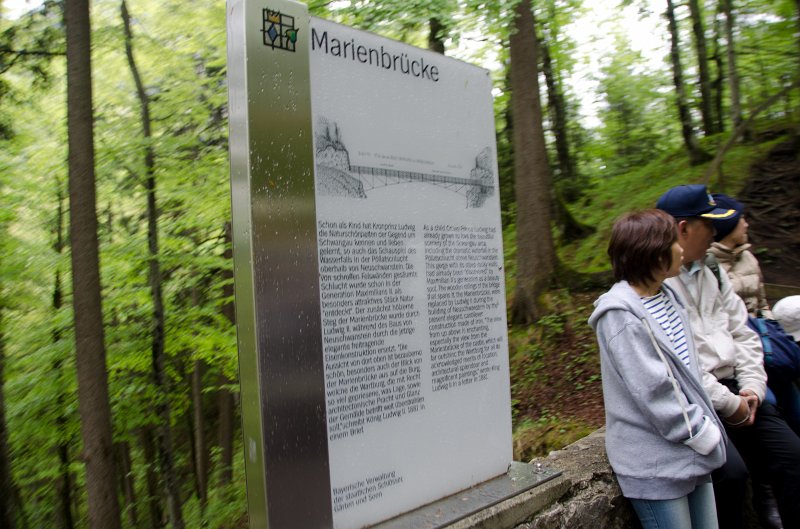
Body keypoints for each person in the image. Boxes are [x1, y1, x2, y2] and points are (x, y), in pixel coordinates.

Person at [657, 184, 800, 529]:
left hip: (738, 386)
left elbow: (744, 332)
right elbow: (674, 363)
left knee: (793, 456)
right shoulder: (657, 281)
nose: (716, 231)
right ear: (684, 228)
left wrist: (752, 388)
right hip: (697, 397)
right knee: (730, 476)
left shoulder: (712, 271)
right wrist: (728, 402)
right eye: (709, 224)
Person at [590, 209, 725, 529]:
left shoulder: (667, 297)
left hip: (690, 455)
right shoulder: (619, 314)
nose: (681, 248)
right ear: (652, 253)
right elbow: (653, 389)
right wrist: (702, 433)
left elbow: (687, 371)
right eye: (673, 243)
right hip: (654, 462)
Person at [706, 193, 772, 318]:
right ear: (728, 225)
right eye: (742, 218)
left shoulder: (747, 257)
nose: (746, 225)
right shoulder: (706, 266)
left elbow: (763, 305)